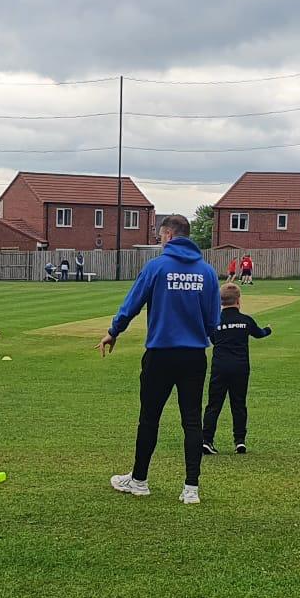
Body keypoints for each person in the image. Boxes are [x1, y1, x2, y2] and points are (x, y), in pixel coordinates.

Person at [101, 212, 219, 506]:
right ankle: (191, 488)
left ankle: (139, 481)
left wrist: (114, 331)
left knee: (149, 418)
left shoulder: (156, 267)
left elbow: (131, 305)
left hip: (161, 354)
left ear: (168, 235)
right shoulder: (207, 272)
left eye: (160, 236)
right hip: (194, 356)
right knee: (192, 421)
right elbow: (212, 320)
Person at [201, 283, 271, 456]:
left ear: (220, 301)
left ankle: (207, 440)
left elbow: (213, 339)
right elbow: (259, 334)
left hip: (220, 366)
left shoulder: (215, 320)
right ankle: (240, 441)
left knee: (214, 404)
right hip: (240, 367)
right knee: (238, 403)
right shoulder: (245, 320)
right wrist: (268, 329)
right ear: (238, 300)